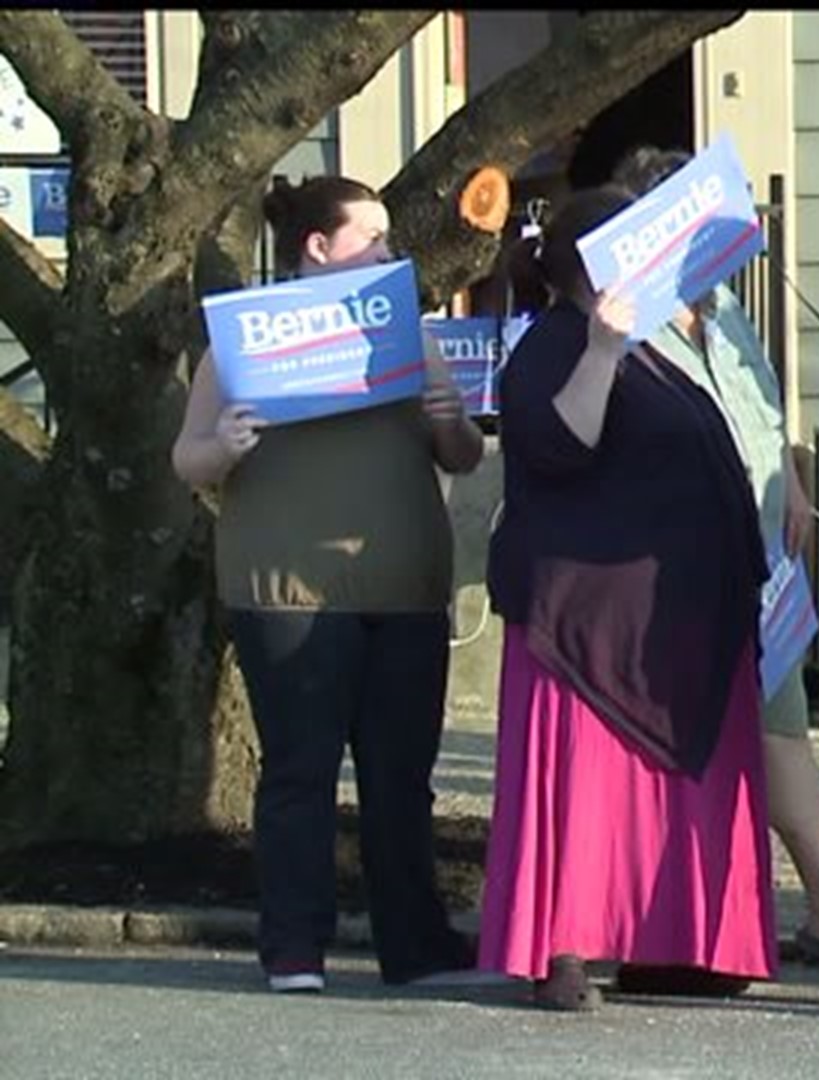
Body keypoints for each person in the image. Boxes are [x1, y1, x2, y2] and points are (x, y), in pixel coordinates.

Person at [170, 174, 487, 993]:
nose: (389, 254)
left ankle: (413, 944)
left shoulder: (412, 339)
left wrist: (450, 417)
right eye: (372, 239)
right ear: (319, 248)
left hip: (404, 584)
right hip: (286, 589)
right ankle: (294, 949)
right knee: (300, 773)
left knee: (399, 779)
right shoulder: (241, 343)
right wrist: (227, 445)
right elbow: (188, 458)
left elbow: (460, 457)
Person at [476, 184, 777, 1011]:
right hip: (586, 619)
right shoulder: (557, 343)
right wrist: (603, 350)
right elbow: (560, 445)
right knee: (585, 795)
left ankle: (670, 941)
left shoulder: (658, 342)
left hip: (674, 615)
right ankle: (561, 946)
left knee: (673, 789)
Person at [611, 146, 819, 969]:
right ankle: (681, 915)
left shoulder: (723, 308)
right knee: (709, 744)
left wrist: (790, 478)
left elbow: (757, 405)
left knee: (782, 727)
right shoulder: (627, 320)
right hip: (679, 571)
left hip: (761, 562)